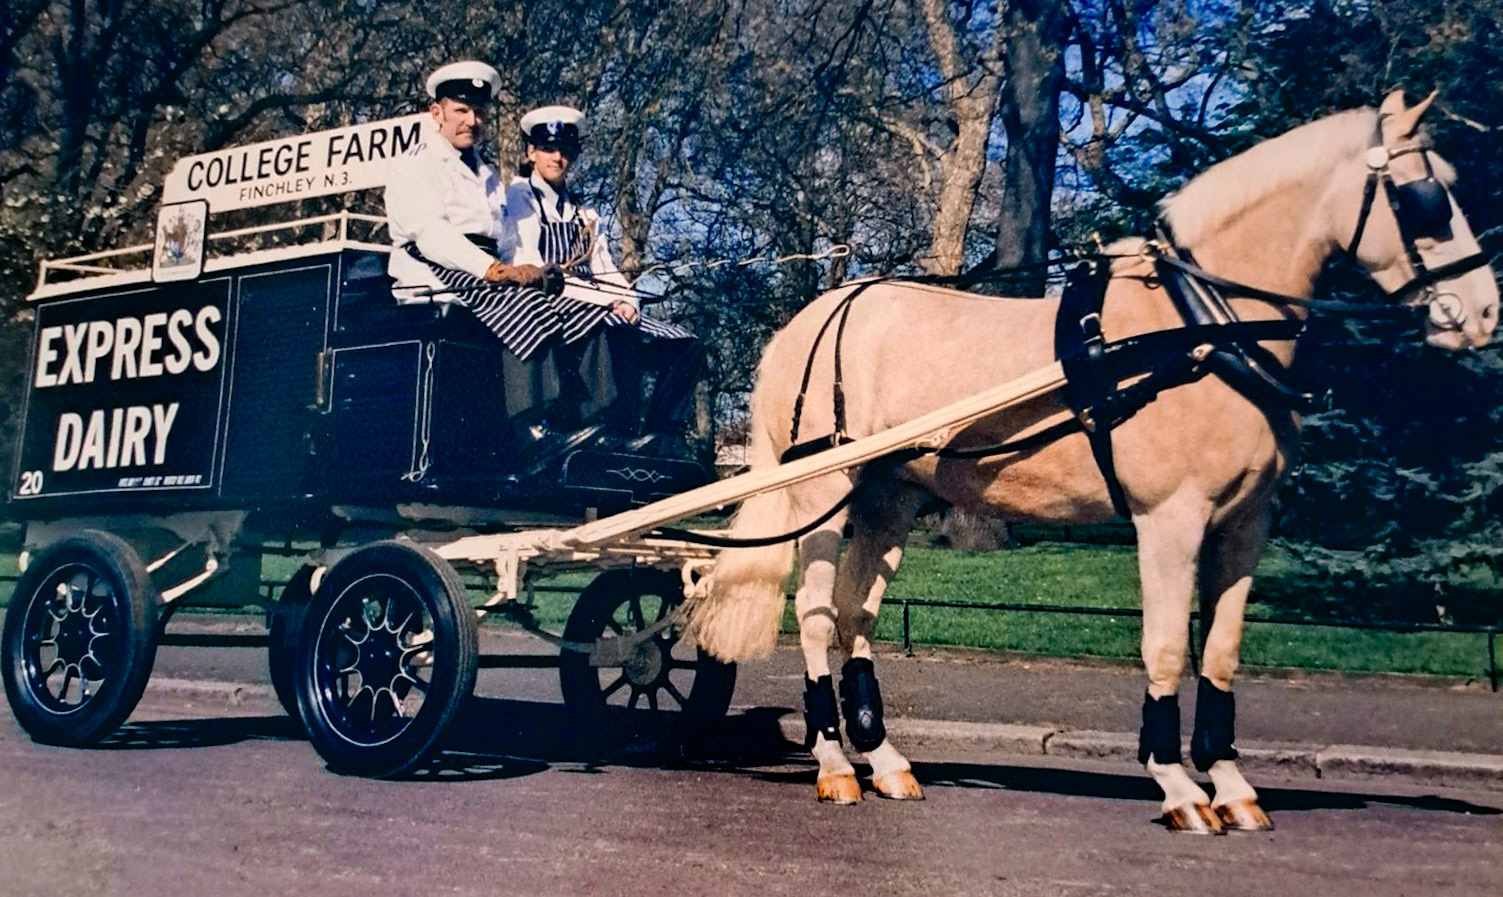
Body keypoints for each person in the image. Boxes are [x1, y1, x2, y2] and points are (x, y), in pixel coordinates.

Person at [384, 62, 621, 468]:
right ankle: (530, 429)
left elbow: (507, 239)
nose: (471, 121)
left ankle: (595, 423)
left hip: (483, 269)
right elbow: (432, 236)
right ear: (436, 112)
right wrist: (498, 272)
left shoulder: (489, 175)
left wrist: (527, 272)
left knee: (581, 312)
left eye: (478, 112)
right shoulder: (416, 164)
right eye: (460, 110)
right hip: (433, 270)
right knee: (524, 306)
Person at [503, 105, 704, 455]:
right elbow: (528, 263)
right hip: (547, 301)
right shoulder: (521, 197)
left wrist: (628, 301)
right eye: (548, 149)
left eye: (565, 151)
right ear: (530, 153)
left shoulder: (584, 213)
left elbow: (605, 268)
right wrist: (604, 302)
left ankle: (663, 434)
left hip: (594, 302)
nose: (557, 158)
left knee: (684, 343)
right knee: (604, 323)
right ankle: (602, 426)